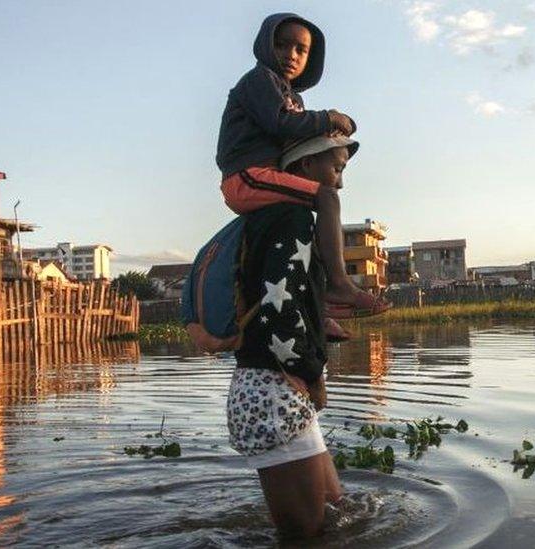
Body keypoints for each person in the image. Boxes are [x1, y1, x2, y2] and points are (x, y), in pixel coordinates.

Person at [226, 135, 362, 539]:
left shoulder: (269, 218)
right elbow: (279, 311)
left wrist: (320, 331)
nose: (338, 183)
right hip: (275, 392)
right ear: (304, 168)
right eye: (335, 169)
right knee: (307, 536)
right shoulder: (292, 217)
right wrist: (314, 375)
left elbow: (284, 300)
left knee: (339, 515)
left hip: (275, 391)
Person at [215, 12, 389, 319]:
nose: (290, 55)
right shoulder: (259, 80)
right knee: (326, 197)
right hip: (246, 176)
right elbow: (281, 122)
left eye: (301, 50)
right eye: (282, 45)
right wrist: (329, 117)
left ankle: (316, 307)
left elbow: (297, 136)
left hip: (266, 176)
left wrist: (326, 131)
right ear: (266, 45)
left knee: (308, 227)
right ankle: (338, 283)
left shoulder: (291, 96)